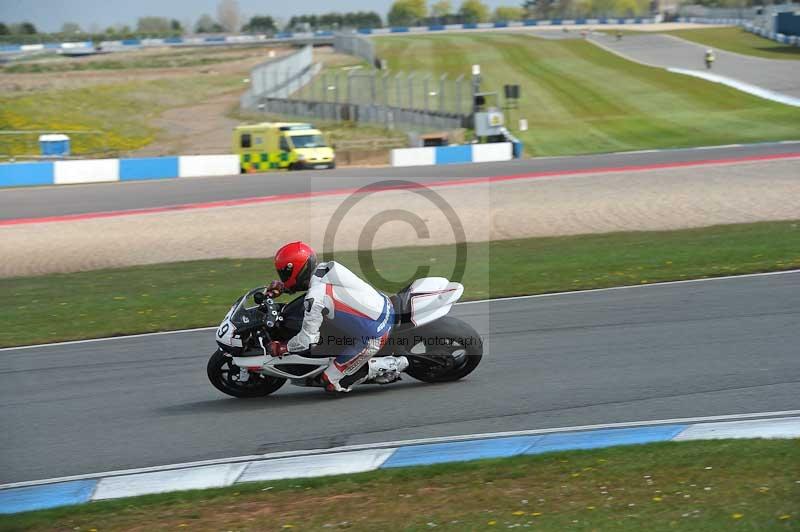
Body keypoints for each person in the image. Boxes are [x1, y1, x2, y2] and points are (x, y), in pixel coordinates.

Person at [265, 241, 409, 393]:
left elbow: (307, 341)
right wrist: (285, 287)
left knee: (328, 381)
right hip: (383, 304)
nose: (283, 277)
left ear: (295, 270)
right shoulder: (326, 268)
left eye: (284, 274)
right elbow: (309, 284)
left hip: (375, 335)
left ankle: (394, 364)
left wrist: (282, 347)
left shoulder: (315, 298)